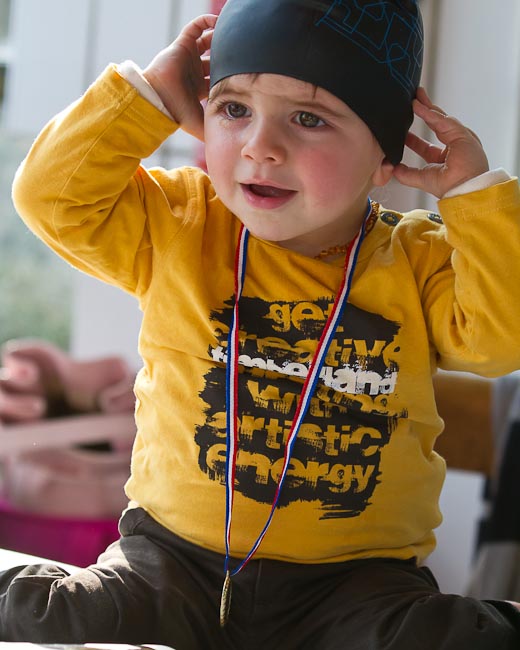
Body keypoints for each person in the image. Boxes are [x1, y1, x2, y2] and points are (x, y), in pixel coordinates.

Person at [2, 0, 520, 647]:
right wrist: (149, 95)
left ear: (386, 155)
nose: (260, 147)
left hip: (355, 584)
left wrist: (474, 197)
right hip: (173, 563)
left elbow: (500, 340)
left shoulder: (417, 260)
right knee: (56, 617)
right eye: (234, 109)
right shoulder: (181, 222)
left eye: (308, 118)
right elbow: (52, 198)